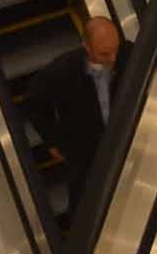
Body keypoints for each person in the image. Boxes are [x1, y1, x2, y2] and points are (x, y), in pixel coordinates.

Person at [20, 15, 126, 210]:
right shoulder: (62, 71)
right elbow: (34, 103)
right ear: (86, 46)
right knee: (85, 206)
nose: (113, 58)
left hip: (126, 144)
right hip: (85, 154)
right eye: (104, 53)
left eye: (115, 50)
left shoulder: (130, 55)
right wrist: (52, 140)